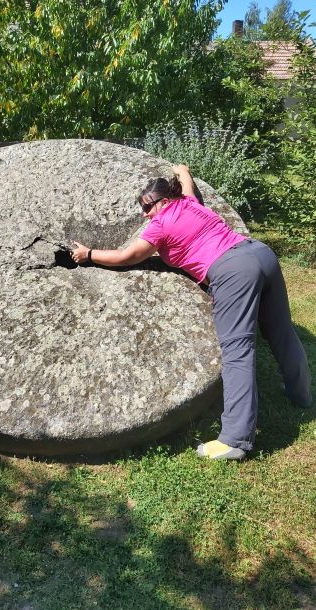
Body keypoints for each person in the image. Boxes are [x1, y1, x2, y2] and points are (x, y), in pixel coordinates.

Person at [71, 165, 312, 460]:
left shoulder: (160, 225)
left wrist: (89, 254)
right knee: (281, 329)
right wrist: (182, 170)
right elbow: (187, 182)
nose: (145, 214)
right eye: (142, 209)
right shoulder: (189, 202)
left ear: (162, 201)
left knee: (237, 350)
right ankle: (300, 394)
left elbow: (126, 256)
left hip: (232, 272)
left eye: (147, 206)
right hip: (259, 253)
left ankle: (235, 440)